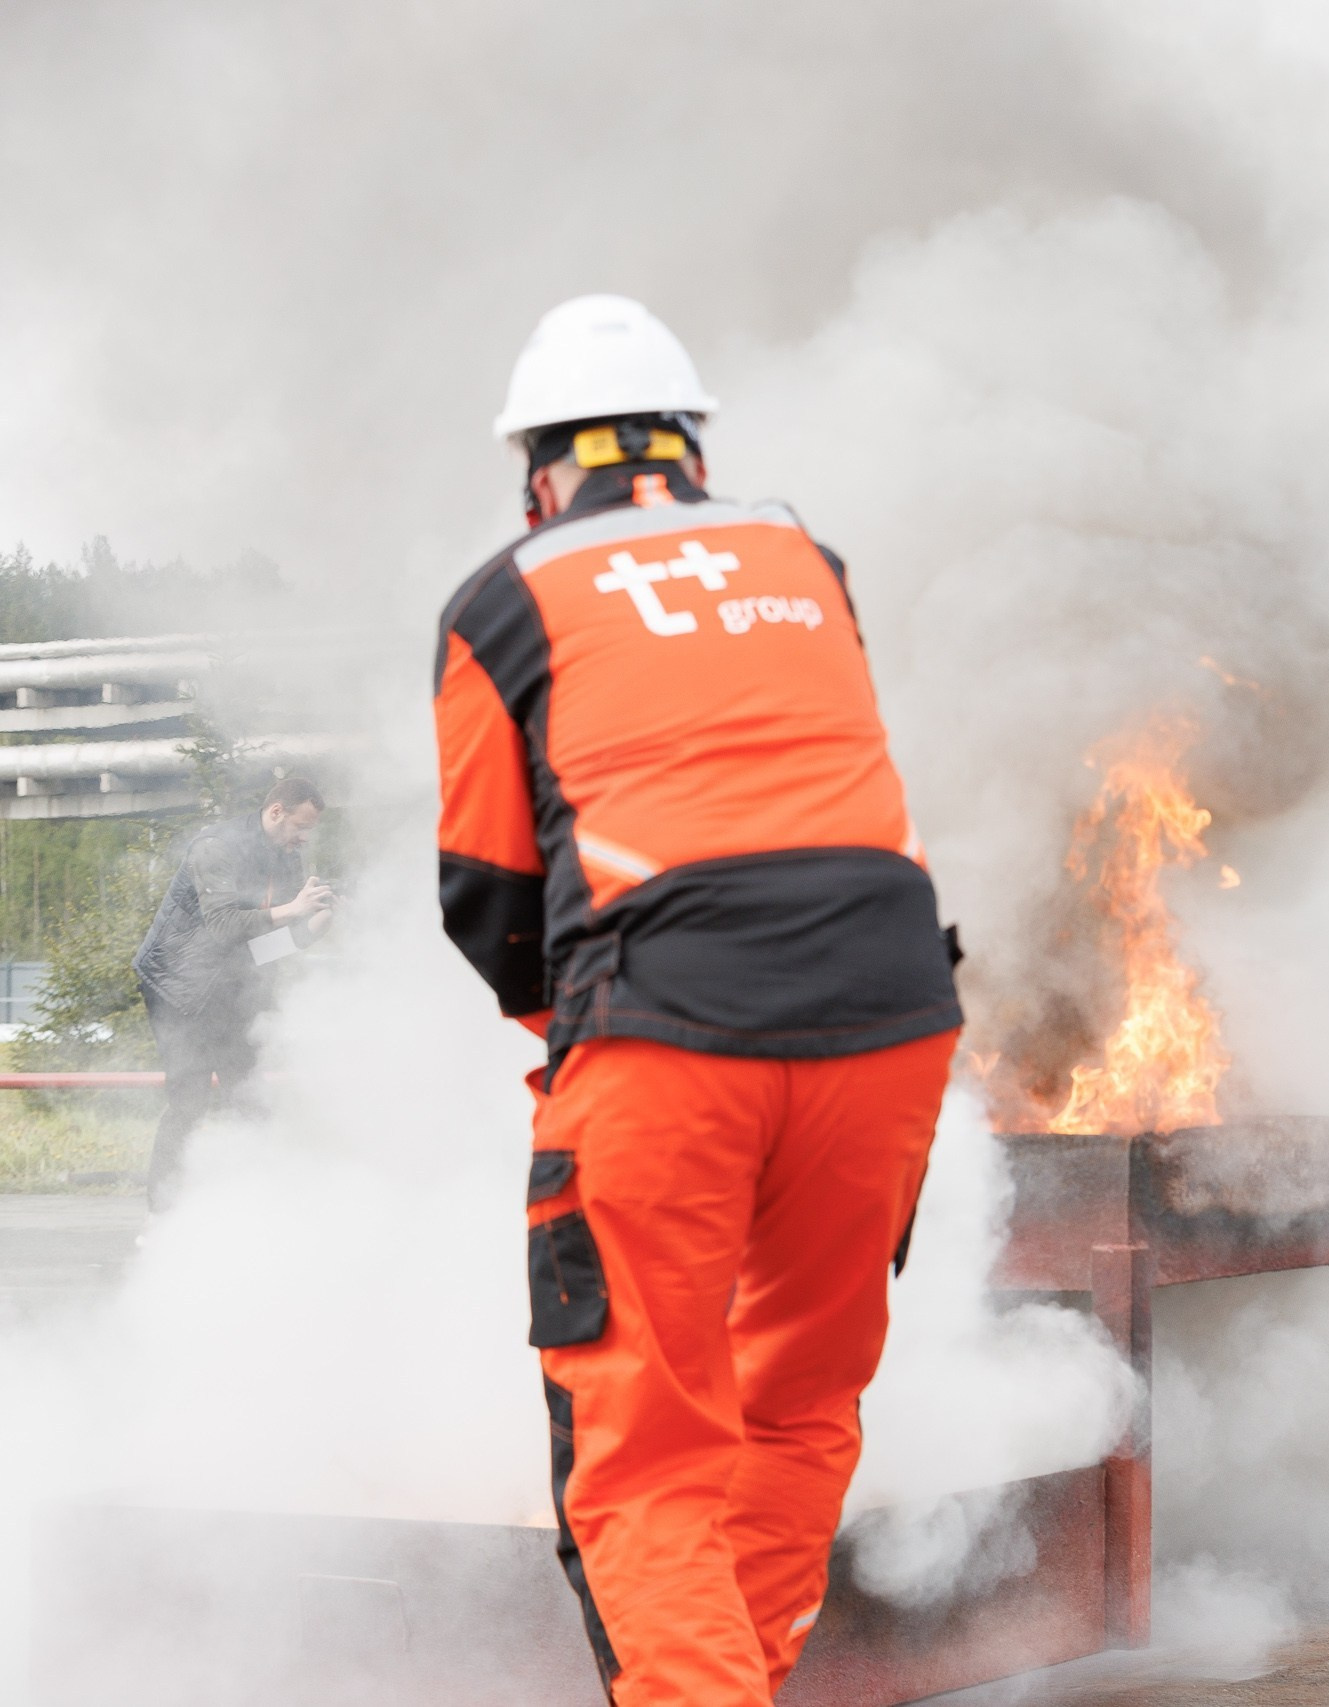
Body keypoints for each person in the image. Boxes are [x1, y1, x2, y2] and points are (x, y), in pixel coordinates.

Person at [434, 293, 962, 1707]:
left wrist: (591, 1031)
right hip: (897, 1020)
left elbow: (487, 892)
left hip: (669, 1029)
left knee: (643, 1454)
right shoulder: (806, 558)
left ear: (538, 467)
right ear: (692, 446)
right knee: (797, 1407)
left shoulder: (507, 594)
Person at [131, 774, 335, 1209]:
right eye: (300, 826)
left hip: (230, 980)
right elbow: (224, 927)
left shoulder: (285, 857)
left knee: (249, 1095)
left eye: (309, 830)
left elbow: (262, 944)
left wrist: (307, 933)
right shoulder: (216, 847)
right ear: (276, 812)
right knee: (190, 1099)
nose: (303, 837)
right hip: (178, 985)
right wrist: (291, 911)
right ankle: (162, 1213)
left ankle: (249, 1206)